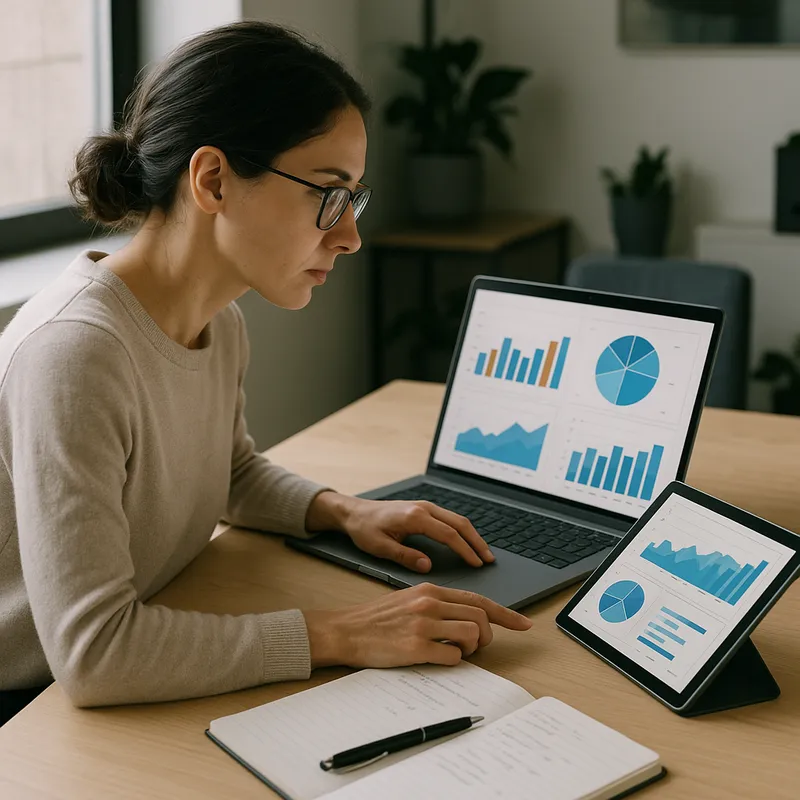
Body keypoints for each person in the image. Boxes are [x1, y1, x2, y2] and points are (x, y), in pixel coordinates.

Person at [0, 21, 531, 725]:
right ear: (213, 180)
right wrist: (342, 632)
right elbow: (95, 653)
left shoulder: (217, 320)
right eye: (328, 194)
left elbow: (230, 473)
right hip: (31, 710)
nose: (349, 236)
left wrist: (346, 511)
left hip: (144, 648)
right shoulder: (77, 353)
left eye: (354, 200)